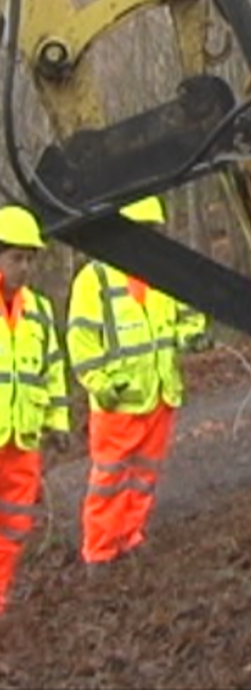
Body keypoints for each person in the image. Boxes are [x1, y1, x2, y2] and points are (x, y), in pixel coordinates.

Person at [66, 195, 208, 577]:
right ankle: (99, 550)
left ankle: (130, 535)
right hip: (119, 400)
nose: (148, 239)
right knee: (109, 477)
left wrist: (193, 335)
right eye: (141, 231)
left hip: (160, 392)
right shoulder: (94, 280)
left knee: (146, 474)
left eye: (153, 232)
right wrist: (102, 384)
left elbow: (186, 319)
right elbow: (82, 344)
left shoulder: (162, 274)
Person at [0, 205, 69, 616]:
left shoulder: (38, 310)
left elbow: (52, 369)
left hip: (23, 438)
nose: (24, 267)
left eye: (29, 259)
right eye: (15, 258)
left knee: (15, 525)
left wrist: (57, 422)